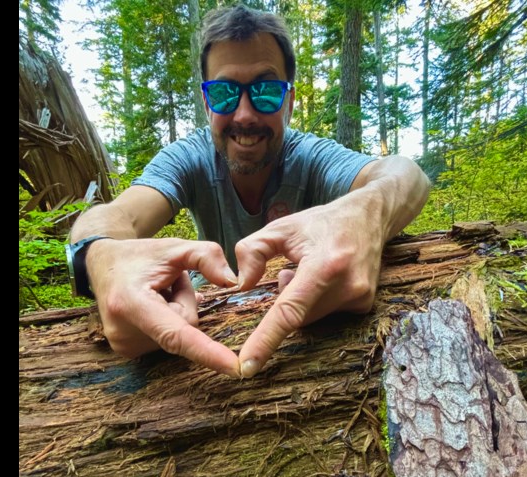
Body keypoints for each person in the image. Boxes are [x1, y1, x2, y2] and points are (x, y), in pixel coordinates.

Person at [69, 4, 429, 379]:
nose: (244, 114)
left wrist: (364, 214)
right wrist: (100, 256)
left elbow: (405, 175)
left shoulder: (310, 155)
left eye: (266, 91)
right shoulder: (188, 158)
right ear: (208, 103)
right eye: (225, 94)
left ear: (288, 101)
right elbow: (118, 215)